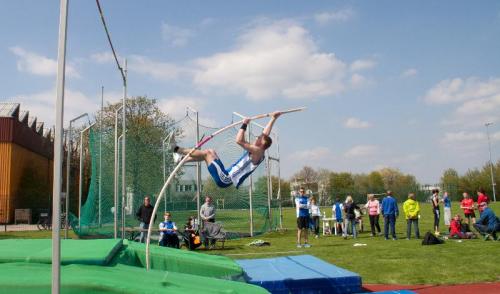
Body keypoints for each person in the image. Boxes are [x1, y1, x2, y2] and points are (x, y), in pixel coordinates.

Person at [171, 112, 281, 189]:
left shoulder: (257, 151)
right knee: (211, 153)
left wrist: (244, 124)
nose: (257, 137)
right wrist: (273, 118)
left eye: (259, 138)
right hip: (226, 175)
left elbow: (239, 140)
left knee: (208, 153)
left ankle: (176, 149)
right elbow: (265, 134)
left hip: (225, 179)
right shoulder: (260, 149)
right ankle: (181, 159)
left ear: (261, 144)